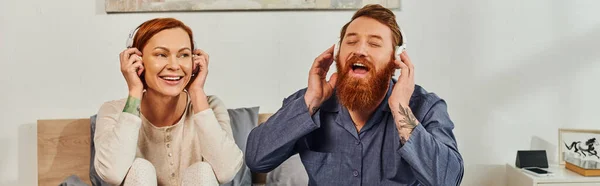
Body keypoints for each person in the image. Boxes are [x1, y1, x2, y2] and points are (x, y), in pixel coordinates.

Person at [245, 4, 464, 186]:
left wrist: (401, 111)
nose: (360, 50)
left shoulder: (426, 107)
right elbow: (256, 160)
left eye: (374, 43)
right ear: (338, 54)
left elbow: (448, 179)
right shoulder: (310, 102)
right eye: (351, 41)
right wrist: (311, 102)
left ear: (395, 60)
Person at [94, 18, 242, 186]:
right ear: (137, 59)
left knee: (203, 172)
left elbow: (227, 171)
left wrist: (197, 92)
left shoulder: (210, 106)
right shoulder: (113, 111)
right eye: (161, 54)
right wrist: (135, 90)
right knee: (140, 169)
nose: (174, 65)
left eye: (184, 55)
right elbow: (111, 174)